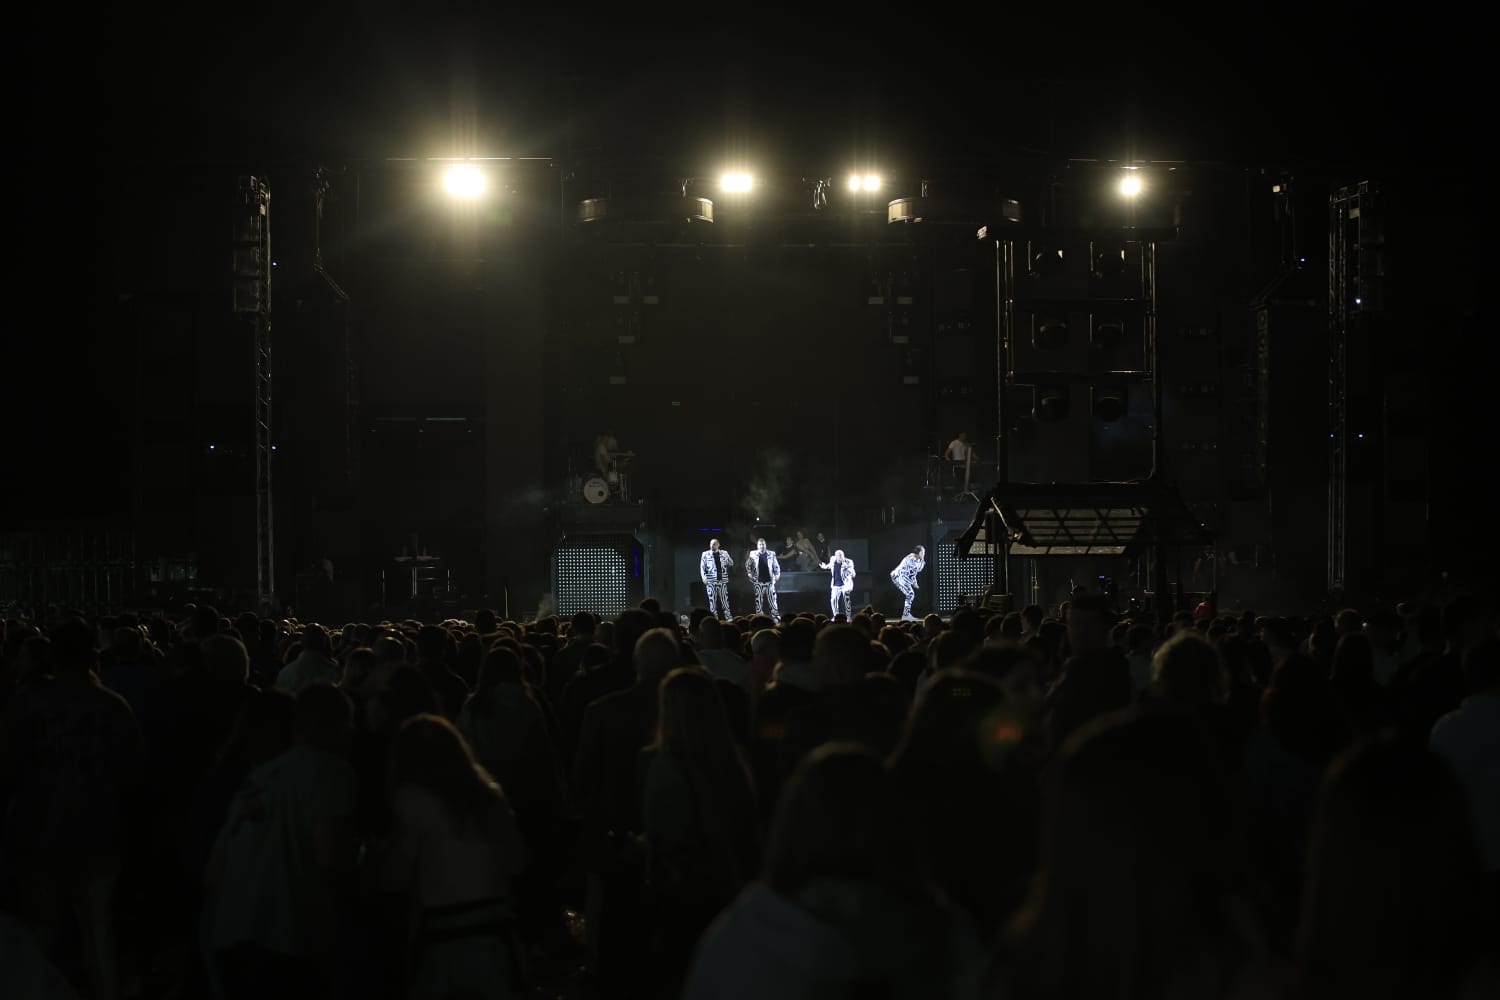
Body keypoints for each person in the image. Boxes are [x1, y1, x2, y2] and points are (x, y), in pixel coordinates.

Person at [745, 538, 782, 623]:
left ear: (765, 545)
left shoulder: (771, 553)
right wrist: (749, 573)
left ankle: (775, 615)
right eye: (760, 544)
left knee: (772, 599)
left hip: (769, 581)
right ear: (757, 545)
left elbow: (776, 565)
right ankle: (759, 616)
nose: (762, 546)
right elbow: (747, 564)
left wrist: (777, 574)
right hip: (758, 581)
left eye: (763, 544)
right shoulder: (753, 553)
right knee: (758, 600)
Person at [699, 538, 734, 620]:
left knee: (725, 601)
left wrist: (726, 557)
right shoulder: (705, 554)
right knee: (712, 602)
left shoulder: (724, 553)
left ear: (718, 545)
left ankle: (729, 618)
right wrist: (704, 578)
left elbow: (731, 563)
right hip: (711, 581)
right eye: (711, 544)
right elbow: (702, 567)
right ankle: (714, 619)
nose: (712, 545)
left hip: (722, 580)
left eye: (714, 544)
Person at [889, 545, 926, 622]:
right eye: (922, 552)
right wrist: (914, 583)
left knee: (910, 594)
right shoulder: (911, 559)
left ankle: (906, 615)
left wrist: (914, 583)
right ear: (919, 553)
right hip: (898, 577)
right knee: (910, 594)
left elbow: (914, 573)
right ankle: (906, 615)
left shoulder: (916, 559)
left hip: (902, 577)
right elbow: (913, 572)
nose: (924, 554)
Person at [819, 549, 857, 619]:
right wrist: (824, 567)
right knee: (833, 600)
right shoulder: (833, 559)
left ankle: (848, 617)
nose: (840, 557)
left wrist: (847, 568)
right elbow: (829, 565)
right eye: (839, 556)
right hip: (835, 584)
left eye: (842, 555)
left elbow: (854, 574)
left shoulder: (848, 562)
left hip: (845, 585)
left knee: (846, 600)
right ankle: (836, 616)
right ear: (836, 556)